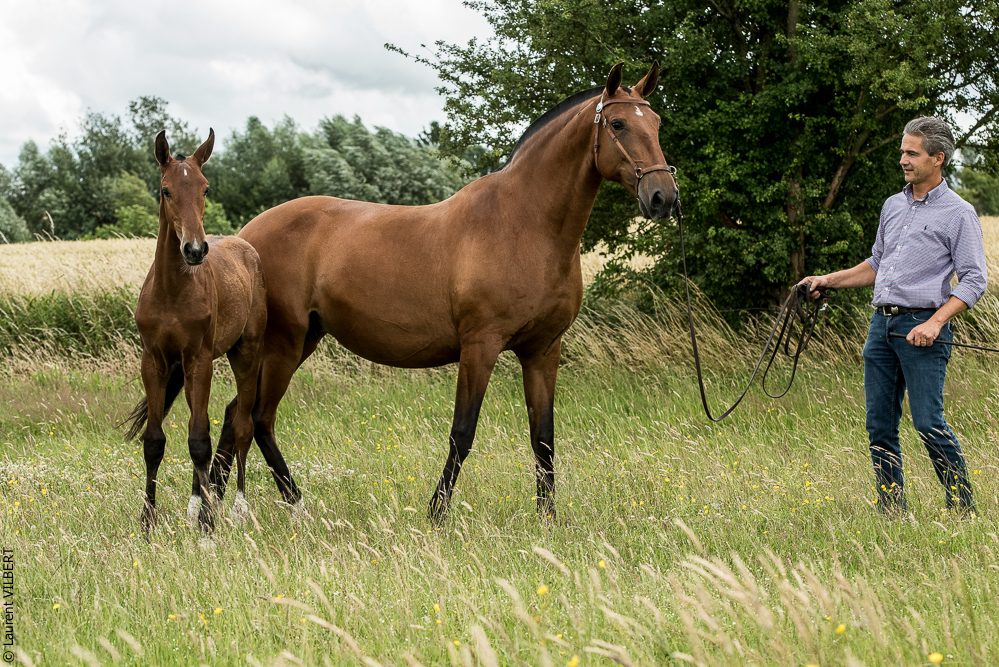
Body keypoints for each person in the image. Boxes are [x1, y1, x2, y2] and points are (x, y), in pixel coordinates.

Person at [800, 116, 987, 516]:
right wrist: (826, 280)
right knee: (879, 427)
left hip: (923, 330)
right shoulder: (893, 205)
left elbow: (974, 280)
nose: (903, 159)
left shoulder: (959, 213)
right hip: (880, 328)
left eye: (912, 153)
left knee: (928, 423)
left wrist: (935, 322)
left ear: (937, 158)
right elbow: (877, 264)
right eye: (903, 151)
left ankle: (962, 507)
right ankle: (891, 510)